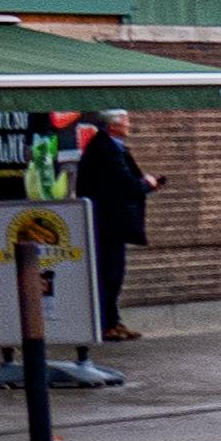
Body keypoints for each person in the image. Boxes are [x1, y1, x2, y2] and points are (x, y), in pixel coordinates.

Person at [69, 107, 153, 339]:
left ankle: (113, 321)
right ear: (113, 125)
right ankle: (105, 324)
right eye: (125, 120)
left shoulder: (112, 147)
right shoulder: (105, 150)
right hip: (107, 223)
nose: (129, 124)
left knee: (113, 274)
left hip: (112, 222)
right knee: (109, 273)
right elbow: (123, 184)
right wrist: (147, 184)